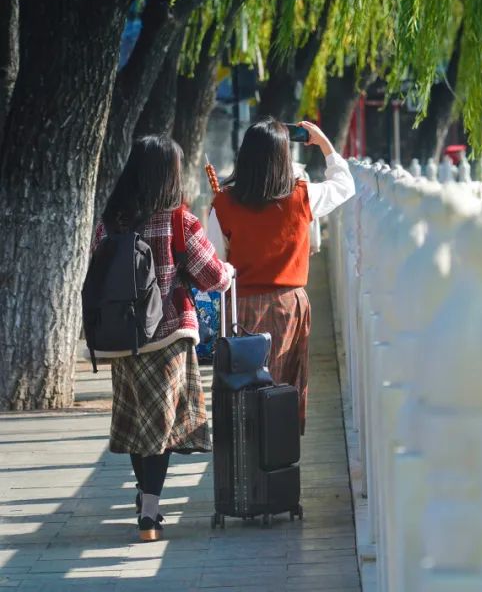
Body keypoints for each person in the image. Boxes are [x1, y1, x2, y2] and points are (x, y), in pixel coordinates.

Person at [90, 136, 232, 542]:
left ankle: (144, 498)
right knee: (162, 427)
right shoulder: (179, 221)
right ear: (170, 174)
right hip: (168, 338)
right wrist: (231, 271)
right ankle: (149, 514)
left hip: (125, 340)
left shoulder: (111, 221)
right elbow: (214, 277)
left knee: (141, 424)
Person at [207, 119, 354, 435]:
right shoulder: (302, 197)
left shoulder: (223, 202)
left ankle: (244, 448)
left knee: (242, 384)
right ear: (284, 157)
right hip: (289, 307)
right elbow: (345, 185)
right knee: (283, 384)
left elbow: (217, 262)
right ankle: (280, 450)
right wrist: (323, 141)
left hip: (240, 307)